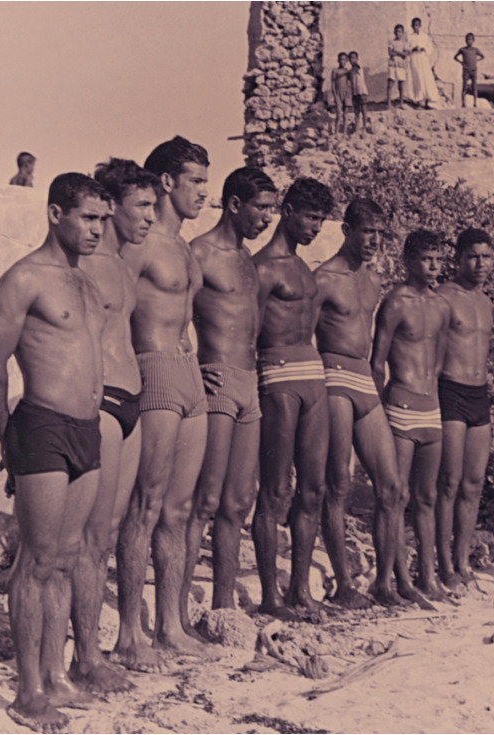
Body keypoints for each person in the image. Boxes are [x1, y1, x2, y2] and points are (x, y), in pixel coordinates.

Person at [0, 172, 110, 732]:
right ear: (56, 214)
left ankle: (56, 676)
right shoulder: (23, 279)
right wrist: (9, 436)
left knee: (69, 556)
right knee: (36, 560)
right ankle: (27, 691)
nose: (98, 229)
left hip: (86, 429)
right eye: (88, 217)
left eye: (102, 219)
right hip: (42, 424)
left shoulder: (87, 284)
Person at [112, 137, 214, 673]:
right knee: (145, 507)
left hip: (189, 375)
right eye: (196, 180)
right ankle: (130, 634)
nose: (204, 191)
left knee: (179, 509)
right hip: (151, 371)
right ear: (168, 182)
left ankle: (170, 625)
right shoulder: (142, 243)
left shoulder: (184, 247)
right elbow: (109, 307)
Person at [67, 158, 157, 693]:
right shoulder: (86, 264)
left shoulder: (124, 265)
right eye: (140, 206)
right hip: (103, 404)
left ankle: (117, 640)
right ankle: (85, 656)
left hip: (133, 402)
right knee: (91, 536)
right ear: (112, 208)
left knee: (113, 531)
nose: (148, 216)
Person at [184, 167, 276, 615]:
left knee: (238, 502)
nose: (268, 218)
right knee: (205, 500)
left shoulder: (247, 259)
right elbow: (175, 319)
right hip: (216, 375)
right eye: (261, 207)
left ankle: (223, 605)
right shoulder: (199, 252)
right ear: (235, 205)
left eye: (273, 209)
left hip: (250, 383)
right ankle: (175, 610)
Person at [315, 199, 407, 608]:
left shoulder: (372, 281)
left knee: (391, 487)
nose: (373, 241)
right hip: (332, 375)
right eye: (366, 232)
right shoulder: (323, 278)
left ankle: (384, 584)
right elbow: (297, 332)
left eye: (379, 233)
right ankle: (344, 585)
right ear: (347, 230)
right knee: (338, 484)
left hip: (363, 380)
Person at [251, 177, 333, 617]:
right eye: (310, 216)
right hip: (278, 372)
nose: (316, 227)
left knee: (314, 488)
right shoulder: (263, 266)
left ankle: (300, 589)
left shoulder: (305, 268)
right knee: (276, 489)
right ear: (287, 211)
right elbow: (249, 332)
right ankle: (269, 596)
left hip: (313, 374)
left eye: (321, 218)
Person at [371, 229, 451, 603]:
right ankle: (394, 580)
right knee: (396, 496)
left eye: (438, 258)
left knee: (427, 497)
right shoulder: (395, 302)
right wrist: (380, 410)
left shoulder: (441, 306)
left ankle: (428, 578)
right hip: (400, 405)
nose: (434, 265)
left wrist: (430, 395)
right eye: (426, 258)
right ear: (408, 261)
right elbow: (377, 361)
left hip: (430, 408)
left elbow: (437, 362)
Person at [434, 229, 494, 595]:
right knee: (449, 483)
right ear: (457, 258)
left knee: (473, 485)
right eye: (473, 256)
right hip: (450, 390)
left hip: (479, 395)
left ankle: (462, 560)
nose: (480, 264)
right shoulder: (443, 296)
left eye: (487, 257)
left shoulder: (486, 302)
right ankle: (443, 564)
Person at [408, 17, 438, 109]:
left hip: (423, 58)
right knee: (417, 78)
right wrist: (412, 49)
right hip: (414, 58)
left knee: (426, 78)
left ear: (420, 26)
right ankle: (419, 100)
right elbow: (406, 48)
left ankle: (428, 100)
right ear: (412, 26)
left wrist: (424, 49)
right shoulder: (409, 37)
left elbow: (430, 47)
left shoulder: (424, 36)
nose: (415, 27)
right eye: (414, 25)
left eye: (417, 25)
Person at [453, 33, 485, 108]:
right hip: (466, 70)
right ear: (465, 40)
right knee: (464, 87)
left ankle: (475, 103)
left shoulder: (475, 50)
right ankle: (463, 104)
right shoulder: (462, 49)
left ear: (473, 40)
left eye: (470, 39)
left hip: (474, 70)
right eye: (467, 39)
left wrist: (476, 60)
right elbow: (455, 57)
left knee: (474, 87)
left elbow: (482, 56)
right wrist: (461, 63)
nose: (469, 41)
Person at [387, 24, 410, 109]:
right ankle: (389, 104)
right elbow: (390, 53)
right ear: (394, 32)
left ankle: (401, 103)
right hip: (392, 63)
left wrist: (396, 52)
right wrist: (399, 53)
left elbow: (405, 54)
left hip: (401, 64)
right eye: (396, 31)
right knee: (390, 83)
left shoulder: (404, 43)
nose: (398, 33)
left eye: (400, 31)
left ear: (403, 33)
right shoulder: (391, 42)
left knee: (401, 84)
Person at [348, 51, 370, 134]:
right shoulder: (351, 71)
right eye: (350, 58)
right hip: (355, 93)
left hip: (362, 92)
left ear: (357, 59)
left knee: (364, 110)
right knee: (356, 111)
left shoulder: (358, 67)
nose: (352, 59)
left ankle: (364, 128)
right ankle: (357, 128)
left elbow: (357, 64)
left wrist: (355, 61)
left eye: (353, 58)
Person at [331, 52, 352, 134]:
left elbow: (350, 82)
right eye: (341, 60)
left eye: (344, 60)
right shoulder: (335, 71)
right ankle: (336, 132)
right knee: (339, 114)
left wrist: (349, 93)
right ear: (338, 60)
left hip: (346, 94)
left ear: (347, 61)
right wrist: (335, 95)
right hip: (338, 94)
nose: (342, 61)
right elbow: (332, 84)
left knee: (345, 115)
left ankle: (344, 132)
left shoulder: (347, 71)